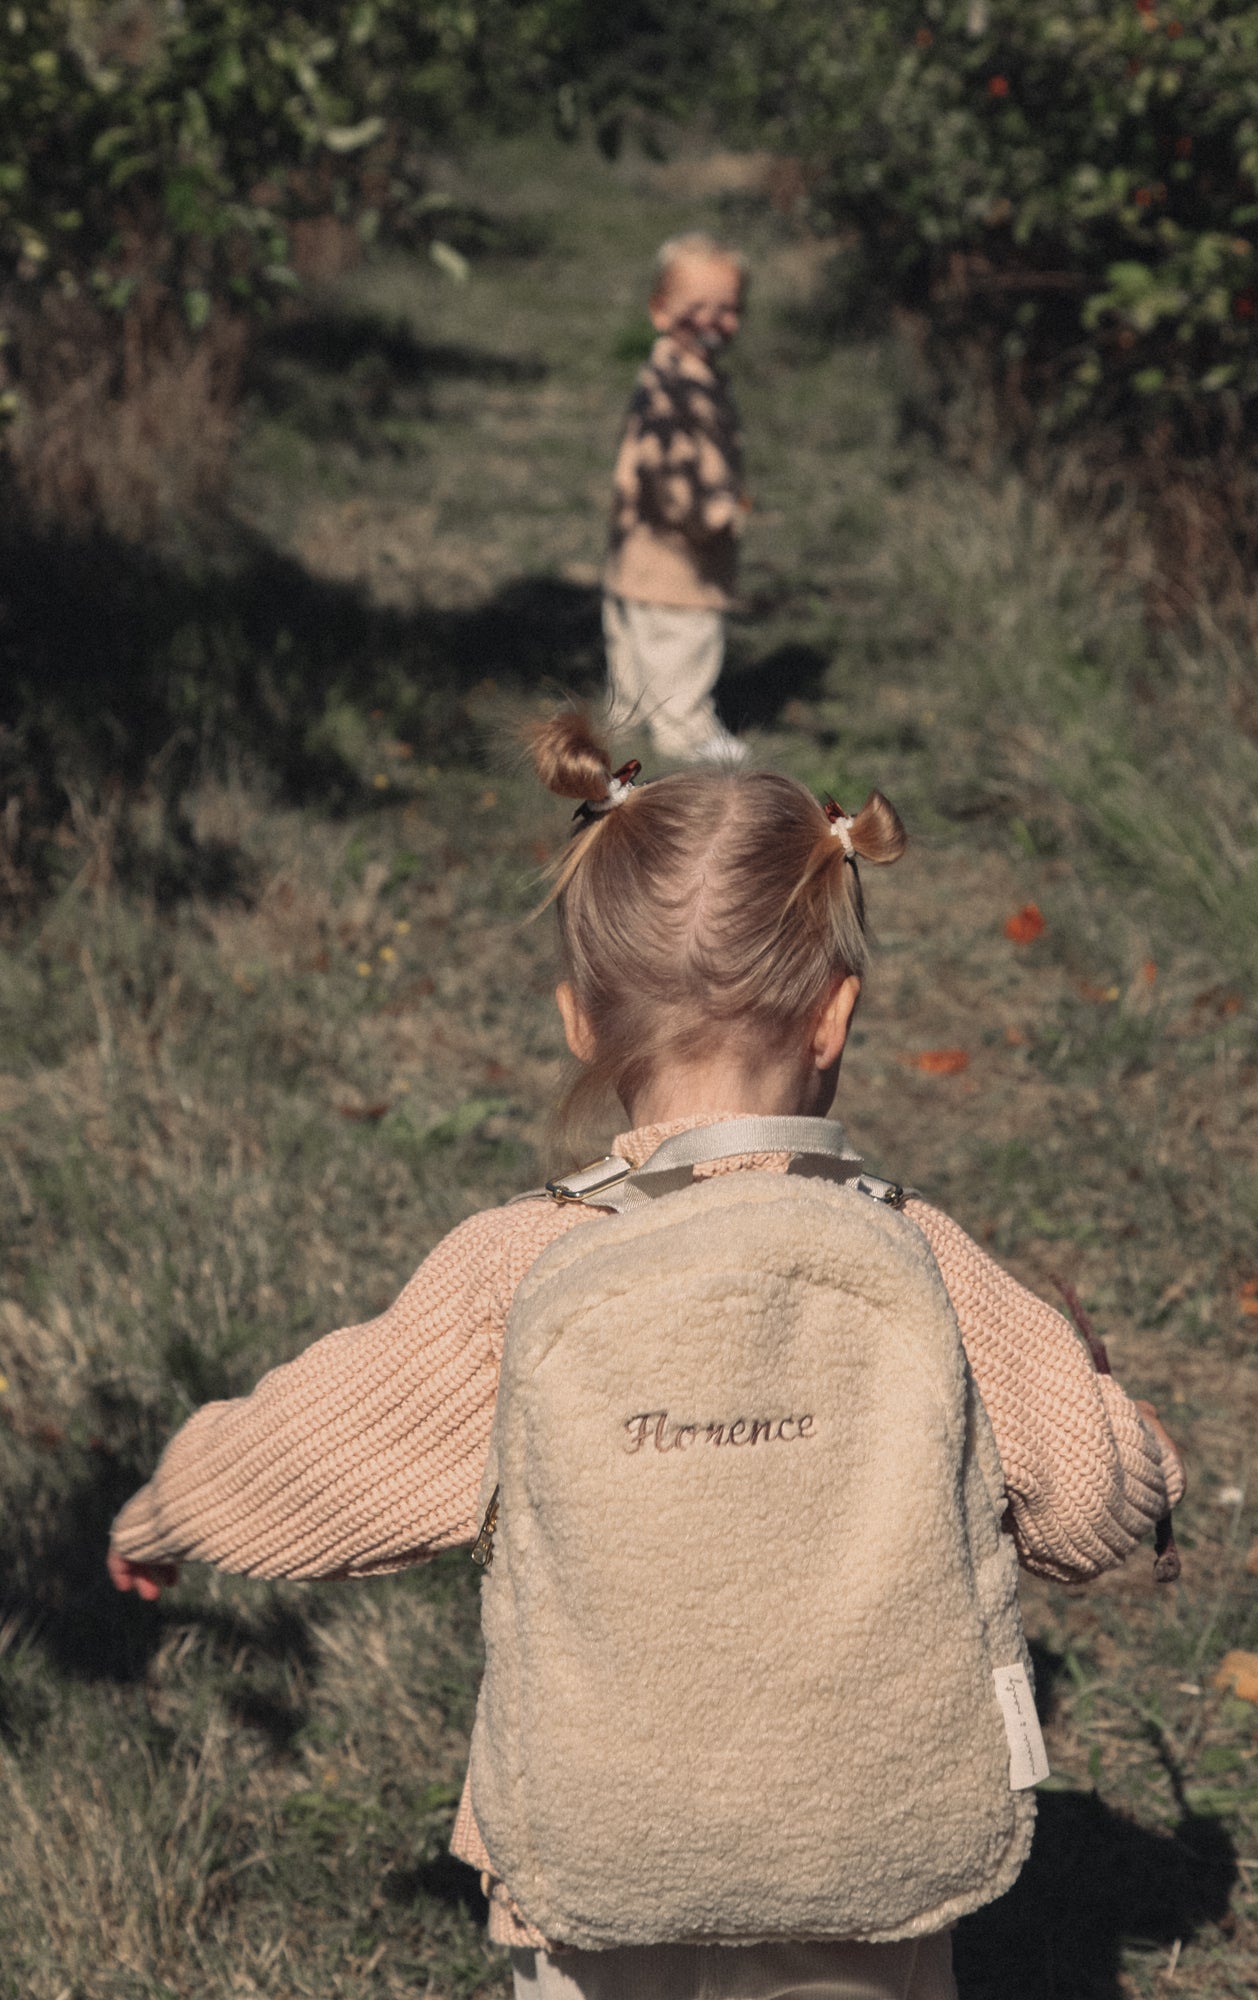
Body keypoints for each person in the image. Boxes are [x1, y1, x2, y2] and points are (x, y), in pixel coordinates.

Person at [109, 711, 1185, 2000]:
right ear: (834, 1016)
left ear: (580, 1022)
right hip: (865, 1847)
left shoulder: (514, 1270)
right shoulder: (925, 1260)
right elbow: (1086, 1498)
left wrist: (170, 1506)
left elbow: (315, 1452)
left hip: (596, 1850)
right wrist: (1146, 1457)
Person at [602, 233, 750, 766]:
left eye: (729, 310)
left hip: (636, 552)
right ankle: (686, 736)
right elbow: (669, 474)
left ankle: (629, 719)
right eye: (698, 309)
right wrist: (713, 516)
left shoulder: (672, 371)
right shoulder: (677, 390)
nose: (715, 322)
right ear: (661, 312)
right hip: (680, 556)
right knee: (682, 642)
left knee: (638, 641)